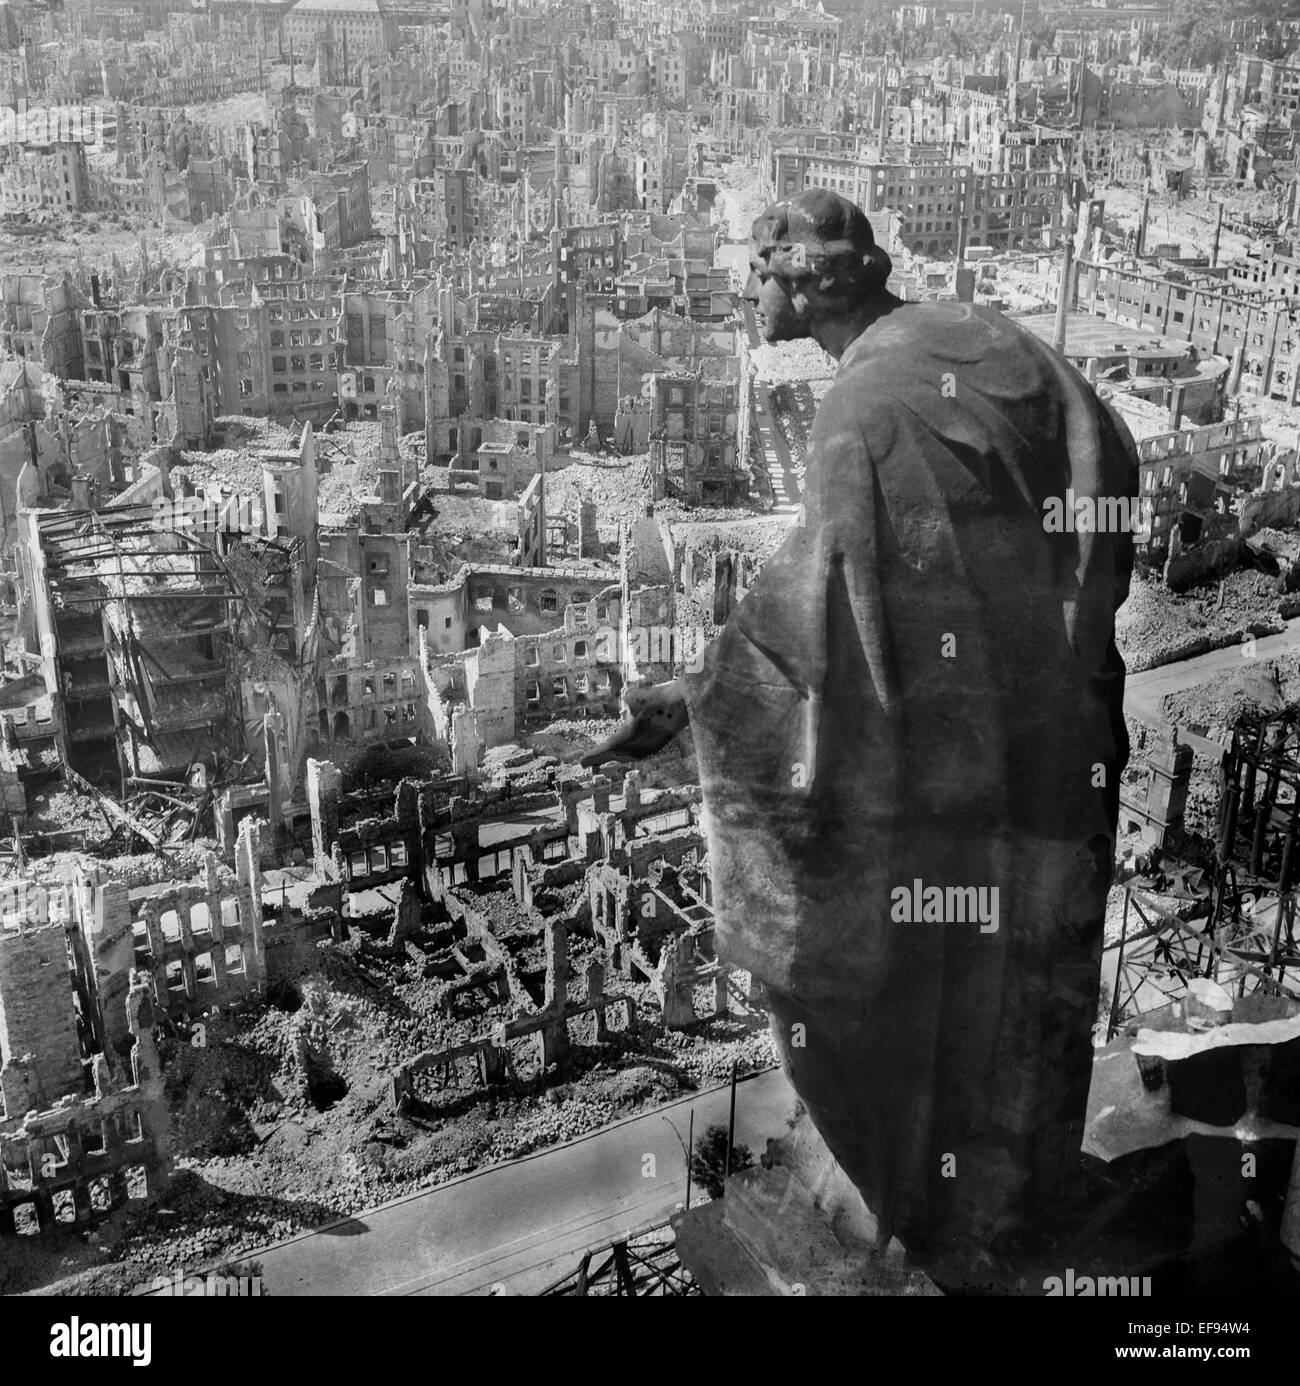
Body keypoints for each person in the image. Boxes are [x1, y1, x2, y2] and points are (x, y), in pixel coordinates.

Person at [583, 189, 1138, 1291]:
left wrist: (695, 701)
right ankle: (996, 1210)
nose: (742, 291)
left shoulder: (866, 414)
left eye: (756, 270)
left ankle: (907, 1215)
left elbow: (824, 639)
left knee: (877, 992)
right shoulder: (983, 341)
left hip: (959, 787)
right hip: (1056, 757)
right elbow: (1099, 473)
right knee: (1019, 1012)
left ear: (808, 279)